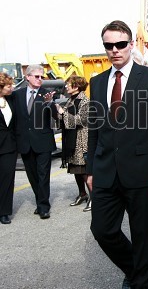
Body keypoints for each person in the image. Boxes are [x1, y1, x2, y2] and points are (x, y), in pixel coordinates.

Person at [86, 20, 148, 289]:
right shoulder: (98, 82)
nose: (115, 50)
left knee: (143, 234)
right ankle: (134, 269)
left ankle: (141, 283)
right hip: (105, 170)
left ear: (131, 44)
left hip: (141, 168)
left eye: (120, 44)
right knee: (102, 230)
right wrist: (90, 169)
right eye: (108, 45)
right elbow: (94, 129)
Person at [12, 64, 56, 219]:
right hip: (24, 142)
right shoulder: (17, 95)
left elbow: (56, 116)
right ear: (27, 77)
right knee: (32, 175)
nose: (40, 79)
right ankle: (40, 201)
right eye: (36, 76)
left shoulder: (47, 94)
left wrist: (50, 103)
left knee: (43, 174)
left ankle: (44, 207)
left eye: (41, 77)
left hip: (43, 141)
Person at [54, 76, 92, 211]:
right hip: (72, 140)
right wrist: (56, 110)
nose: (66, 87)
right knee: (75, 169)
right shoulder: (71, 99)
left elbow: (81, 120)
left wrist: (62, 112)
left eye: (68, 84)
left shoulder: (85, 100)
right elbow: (64, 118)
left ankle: (93, 198)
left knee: (84, 171)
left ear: (76, 86)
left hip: (82, 140)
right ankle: (82, 194)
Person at [0, 73, 16, 224]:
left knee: (7, 179)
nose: (12, 88)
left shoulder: (11, 99)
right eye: (8, 86)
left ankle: (4, 211)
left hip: (9, 146)